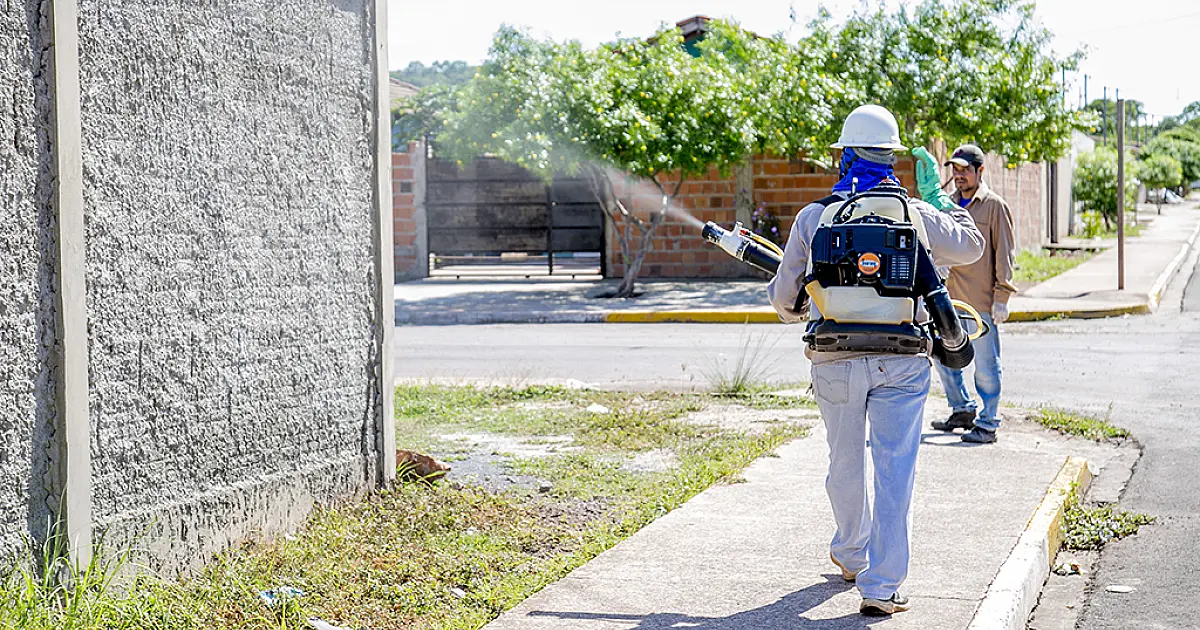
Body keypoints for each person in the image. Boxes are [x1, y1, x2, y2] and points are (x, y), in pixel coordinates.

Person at [767, 105, 984, 617]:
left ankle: (849, 554)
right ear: (893, 156)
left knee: (843, 461)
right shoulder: (917, 213)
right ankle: (882, 586)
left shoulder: (813, 216)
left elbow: (784, 303)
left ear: (843, 154)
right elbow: (972, 248)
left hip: (834, 359)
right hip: (903, 359)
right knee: (894, 470)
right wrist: (939, 199)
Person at [929, 144, 1018, 444]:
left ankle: (989, 421)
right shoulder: (946, 204)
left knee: (985, 366)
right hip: (948, 301)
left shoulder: (994, 206)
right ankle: (962, 409)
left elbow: (1004, 253)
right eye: (955, 169)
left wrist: (1002, 297)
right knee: (944, 359)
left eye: (966, 169)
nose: (959, 175)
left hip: (979, 302)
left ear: (981, 170)